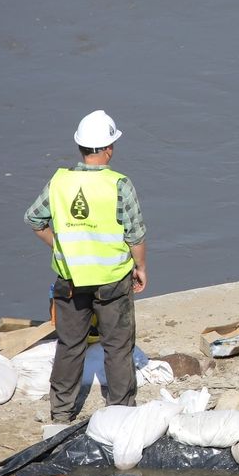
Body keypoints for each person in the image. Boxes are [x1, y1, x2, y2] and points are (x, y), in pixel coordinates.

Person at [25, 110, 148, 424]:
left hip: (70, 279)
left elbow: (34, 220)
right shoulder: (119, 184)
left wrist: (61, 246)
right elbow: (135, 235)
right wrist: (141, 267)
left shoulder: (59, 182)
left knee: (70, 344)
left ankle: (61, 412)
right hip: (112, 281)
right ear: (108, 149)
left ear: (80, 147)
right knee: (118, 347)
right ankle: (120, 412)